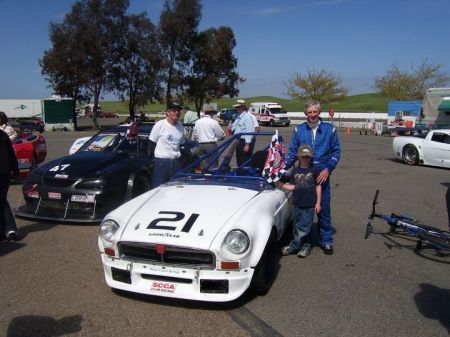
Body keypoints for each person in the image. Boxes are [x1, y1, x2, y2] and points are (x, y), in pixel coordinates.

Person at [285, 100, 341, 255]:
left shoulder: (330, 130)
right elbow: (292, 153)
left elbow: (336, 152)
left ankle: (326, 240)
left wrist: (328, 169)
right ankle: (305, 242)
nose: (312, 115)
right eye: (309, 112)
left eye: (315, 112)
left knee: (322, 208)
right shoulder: (299, 129)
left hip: (322, 175)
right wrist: (282, 167)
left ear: (319, 112)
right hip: (304, 175)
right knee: (304, 210)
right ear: (305, 114)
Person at [278, 144, 321, 258]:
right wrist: (281, 184)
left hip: (309, 204)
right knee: (297, 226)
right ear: (299, 157)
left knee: (305, 227)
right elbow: (293, 187)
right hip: (297, 203)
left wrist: (318, 203)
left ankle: (302, 246)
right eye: (303, 156)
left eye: (307, 157)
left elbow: (318, 187)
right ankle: (298, 245)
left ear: (310, 157)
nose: (305, 159)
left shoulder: (314, 170)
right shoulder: (295, 170)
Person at [149, 103, 185, 188]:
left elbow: (182, 145)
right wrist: (152, 160)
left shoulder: (180, 126)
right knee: (159, 190)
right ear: (168, 113)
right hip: (162, 163)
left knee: (176, 189)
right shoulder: (160, 124)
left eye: (178, 111)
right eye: (173, 110)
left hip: (176, 163)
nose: (176, 113)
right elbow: (151, 143)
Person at [0, 129, 19, 241]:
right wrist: (15, 170)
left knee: (2, 201)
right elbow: (11, 152)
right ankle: (11, 230)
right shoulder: (3, 134)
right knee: (2, 200)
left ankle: (3, 232)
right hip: (5, 172)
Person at [227, 99, 255, 166]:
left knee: (243, 160)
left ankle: (244, 174)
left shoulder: (247, 117)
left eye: (238, 107)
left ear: (243, 107)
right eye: (236, 107)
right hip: (239, 141)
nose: (236, 108)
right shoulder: (239, 117)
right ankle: (240, 173)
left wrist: (247, 144)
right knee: (239, 159)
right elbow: (234, 126)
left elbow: (250, 131)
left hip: (244, 141)